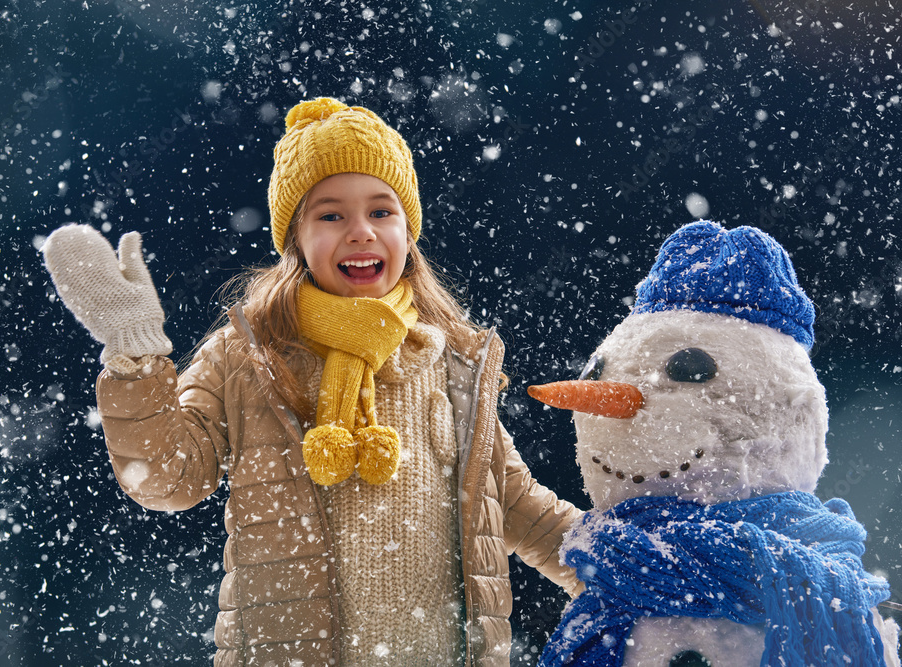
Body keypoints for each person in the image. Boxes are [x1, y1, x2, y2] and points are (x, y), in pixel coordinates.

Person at [42, 97, 584, 666]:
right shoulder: (249, 357)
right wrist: (137, 354)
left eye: (382, 212)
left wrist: (623, 568)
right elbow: (166, 478)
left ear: (408, 229)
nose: (360, 232)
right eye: (330, 215)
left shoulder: (450, 362)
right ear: (295, 239)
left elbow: (517, 506)